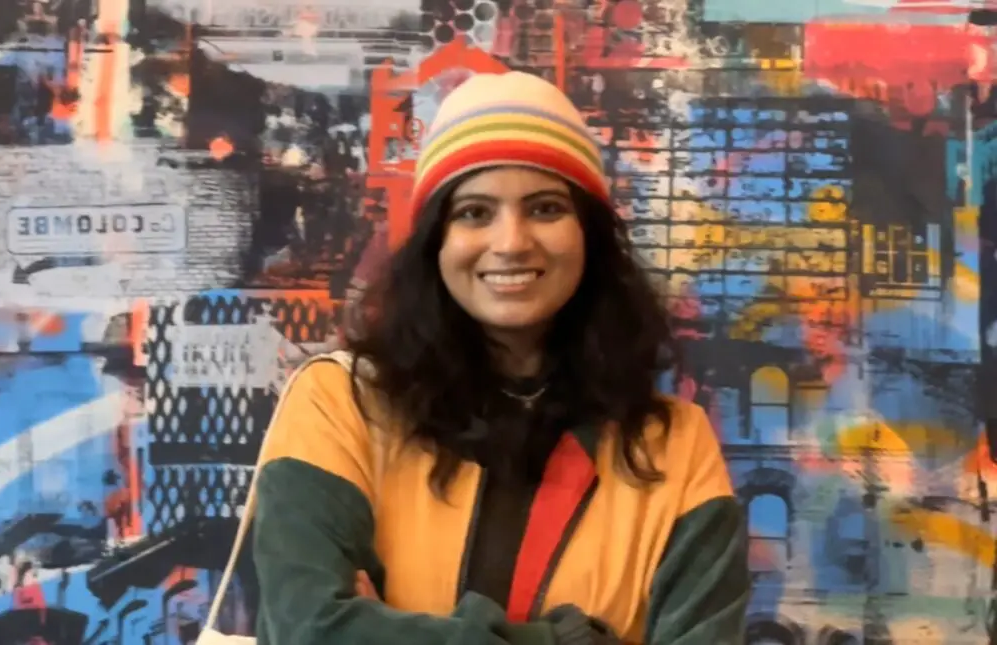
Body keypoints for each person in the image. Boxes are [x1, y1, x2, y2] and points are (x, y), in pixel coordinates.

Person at [252, 71, 750, 645]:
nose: (511, 242)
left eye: (544, 208)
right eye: (474, 212)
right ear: (436, 240)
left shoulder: (675, 444)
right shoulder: (339, 405)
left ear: (588, 233)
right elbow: (308, 630)